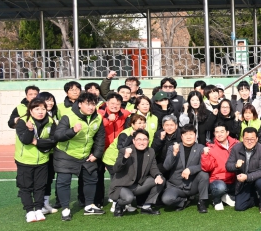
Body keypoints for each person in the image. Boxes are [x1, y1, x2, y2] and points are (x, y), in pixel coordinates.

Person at [51, 91, 107, 220]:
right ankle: (65, 209)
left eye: (93, 104)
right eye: (87, 104)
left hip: (86, 155)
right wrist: (72, 131)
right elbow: (58, 136)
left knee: (91, 179)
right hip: (65, 155)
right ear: (80, 104)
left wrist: (96, 154)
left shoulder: (97, 117)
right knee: (64, 182)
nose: (91, 107)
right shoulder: (68, 116)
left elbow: (100, 138)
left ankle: (89, 206)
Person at [14, 98, 58, 222]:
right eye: (37, 109)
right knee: (26, 187)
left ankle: (39, 209)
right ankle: (29, 211)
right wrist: (29, 130)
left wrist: (37, 142)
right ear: (31, 110)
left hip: (43, 160)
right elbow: (26, 140)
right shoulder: (23, 121)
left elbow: (53, 141)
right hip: (25, 160)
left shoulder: (50, 121)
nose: (40, 112)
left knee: (40, 186)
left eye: (43, 109)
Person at [108, 130, 164, 216]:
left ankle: (146, 207)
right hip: (122, 186)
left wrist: (158, 175)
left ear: (148, 141)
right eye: (139, 139)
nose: (142, 142)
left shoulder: (151, 151)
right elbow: (116, 169)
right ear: (134, 141)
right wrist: (125, 157)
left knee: (161, 179)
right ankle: (119, 204)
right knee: (129, 198)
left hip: (138, 185)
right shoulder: (124, 151)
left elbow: (154, 168)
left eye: (145, 139)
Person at [161, 124, 210, 212]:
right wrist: (174, 154)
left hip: (192, 185)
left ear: (195, 136)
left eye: (191, 134)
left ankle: (202, 202)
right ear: (181, 136)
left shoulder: (201, 148)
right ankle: (184, 202)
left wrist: (191, 170)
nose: (188, 137)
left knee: (204, 174)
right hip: (176, 185)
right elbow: (166, 166)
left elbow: (204, 165)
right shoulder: (173, 148)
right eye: (185, 134)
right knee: (167, 199)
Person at [227, 126, 261, 213]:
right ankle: (255, 199)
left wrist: (247, 176)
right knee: (239, 207)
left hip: (257, 179)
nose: (249, 141)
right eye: (247, 139)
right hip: (242, 182)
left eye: (252, 139)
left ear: (257, 139)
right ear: (242, 138)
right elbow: (228, 166)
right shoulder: (236, 148)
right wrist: (236, 165)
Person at [201, 124, 238, 211]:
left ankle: (226, 196)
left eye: (222, 131)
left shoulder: (237, 144)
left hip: (234, 179)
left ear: (227, 133)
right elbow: (207, 168)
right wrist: (205, 155)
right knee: (220, 188)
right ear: (214, 134)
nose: (219, 134)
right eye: (217, 132)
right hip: (218, 181)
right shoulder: (211, 147)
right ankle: (217, 200)